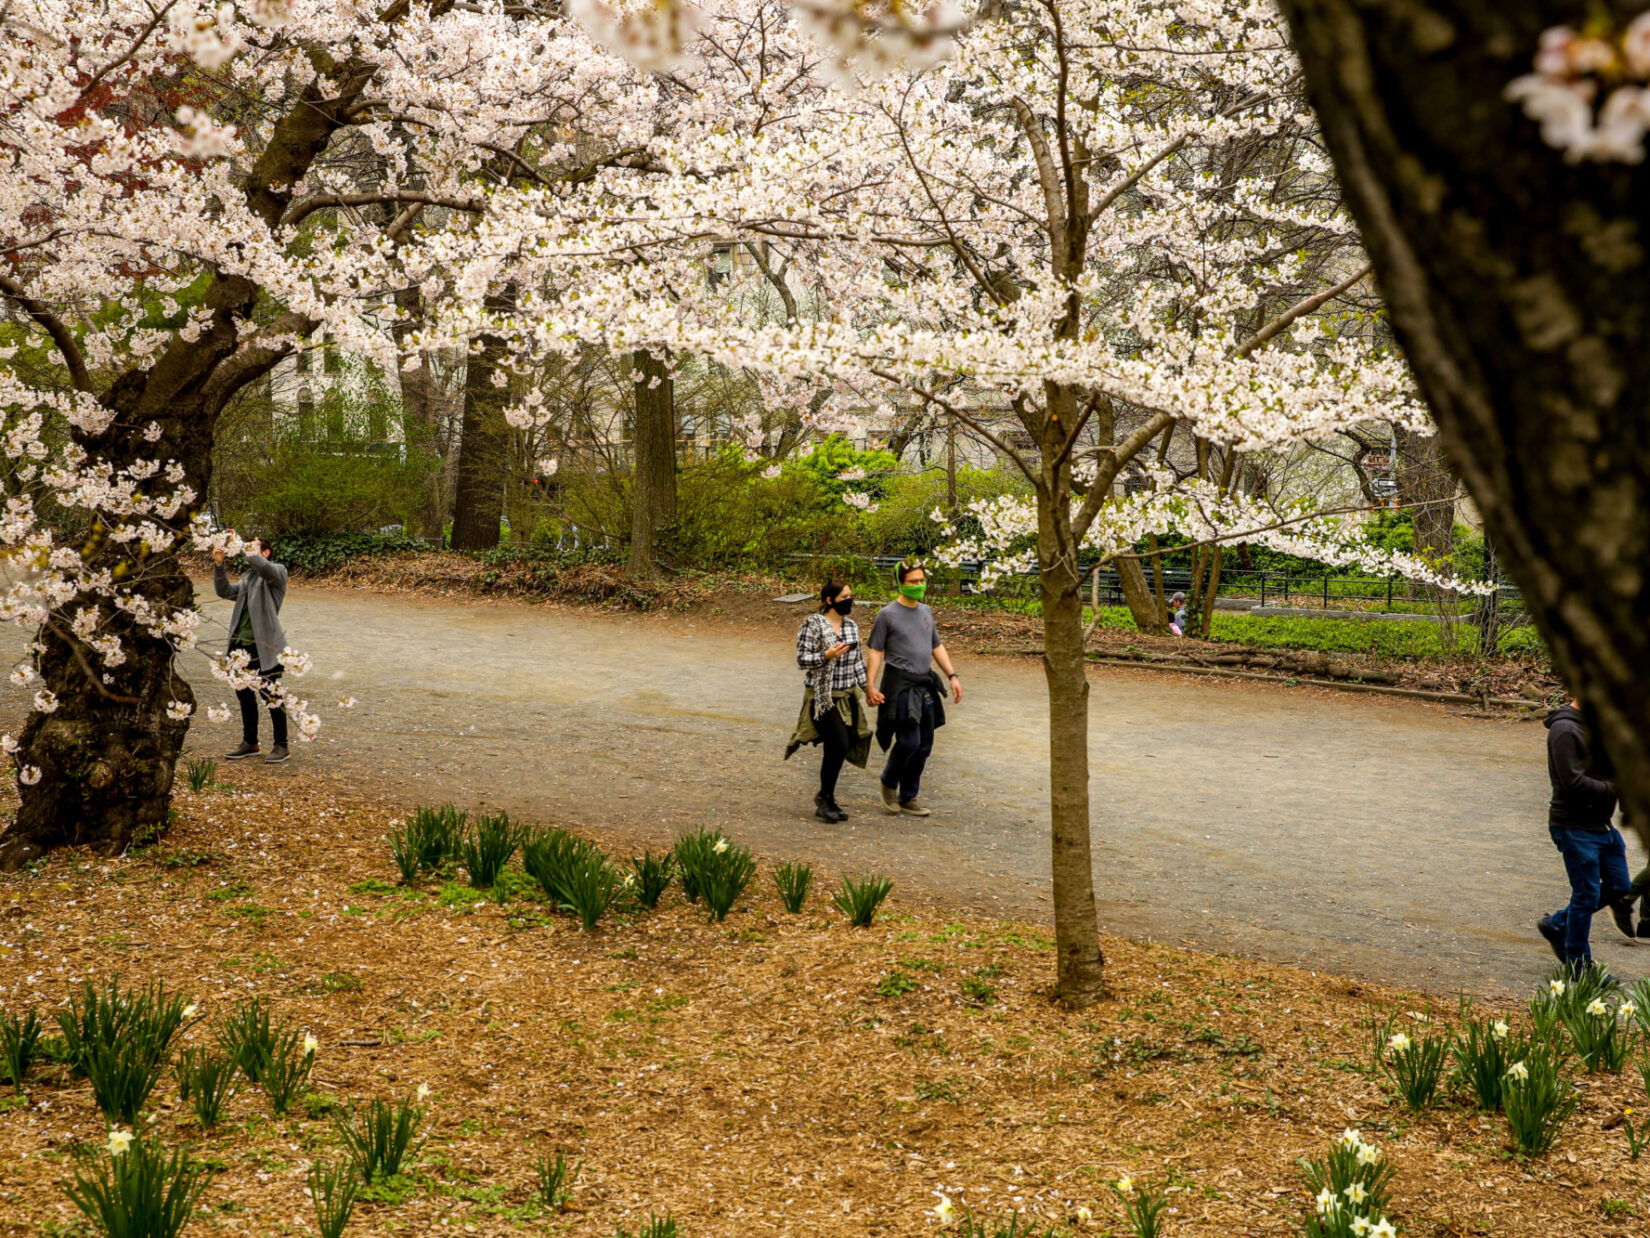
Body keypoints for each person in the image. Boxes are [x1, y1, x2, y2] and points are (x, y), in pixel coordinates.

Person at [1536, 697, 1632, 978]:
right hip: (1574, 826)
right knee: (1586, 894)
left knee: (1619, 884)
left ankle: (1558, 924)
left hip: (1601, 825)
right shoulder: (1565, 730)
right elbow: (1572, 782)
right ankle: (1580, 965)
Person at [865, 561, 962, 817]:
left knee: (924, 745)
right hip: (900, 685)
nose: (919, 586)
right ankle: (888, 781)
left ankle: (909, 796)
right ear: (900, 583)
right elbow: (876, 651)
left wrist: (952, 675)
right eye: (913, 582)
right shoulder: (887, 615)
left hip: (924, 682)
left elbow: (936, 646)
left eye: (921, 581)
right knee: (909, 741)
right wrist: (870, 685)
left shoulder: (926, 611)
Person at [784, 581, 873, 821]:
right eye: (844, 596)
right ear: (830, 600)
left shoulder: (852, 627)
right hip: (821, 696)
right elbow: (802, 660)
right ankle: (825, 797)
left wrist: (869, 689)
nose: (849, 600)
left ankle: (827, 797)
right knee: (840, 742)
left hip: (846, 695)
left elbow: (857, 663)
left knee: (839, 745)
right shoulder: (812, 625)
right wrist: (826, 655)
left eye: (851, 596)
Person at [212, 534, 291, 764]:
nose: (247, 550)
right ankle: (250, 742)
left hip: (265, 647)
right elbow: (225, 591)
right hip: (240, 647)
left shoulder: (276, 573)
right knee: (244, 695)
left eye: (255, 547)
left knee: (272, 696)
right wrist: (219, 564)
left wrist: (245, 547)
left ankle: (281, 745)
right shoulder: (248, 577)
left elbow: (264, 568)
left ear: (265, 553)